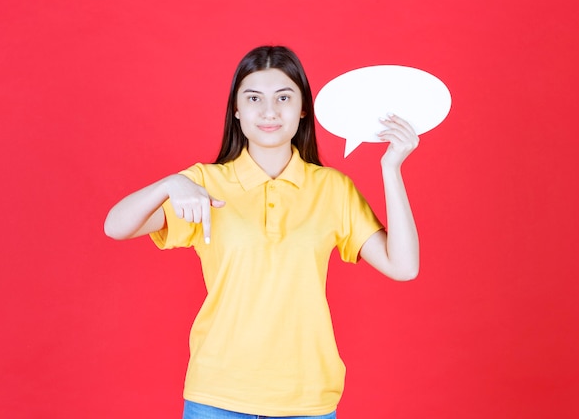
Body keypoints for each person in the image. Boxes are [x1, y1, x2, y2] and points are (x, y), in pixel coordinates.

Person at [104, 46, 420, 419]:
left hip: (308, 398)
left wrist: (391, 168)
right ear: (236, 110)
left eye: (283, 97)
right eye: (253, 98)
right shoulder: (204, 184)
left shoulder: (332, 189)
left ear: (303, 108)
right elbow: (115, 226)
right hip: (217, 396)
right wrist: (171, 184)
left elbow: (403, 266)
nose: (269, 111)